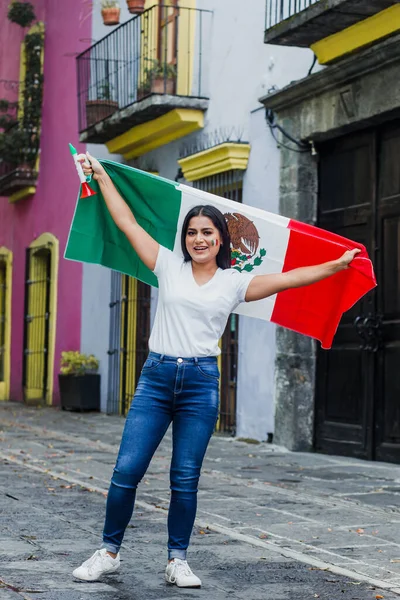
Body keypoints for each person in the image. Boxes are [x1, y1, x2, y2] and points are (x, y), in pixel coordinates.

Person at [72, 152, 360, 588]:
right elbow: (128, 222)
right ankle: (108, 552)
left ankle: (177, 561)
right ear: (184, 238)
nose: (198, 239)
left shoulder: (235, 282)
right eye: (192, 232)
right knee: (127, 469)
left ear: (221, 239)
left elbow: (290, 279)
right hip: (157, 379)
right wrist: (103, 176)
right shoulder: (167, 265)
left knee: (184, 478)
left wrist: (335, 265)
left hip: (201, 384)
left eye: (207, 232)